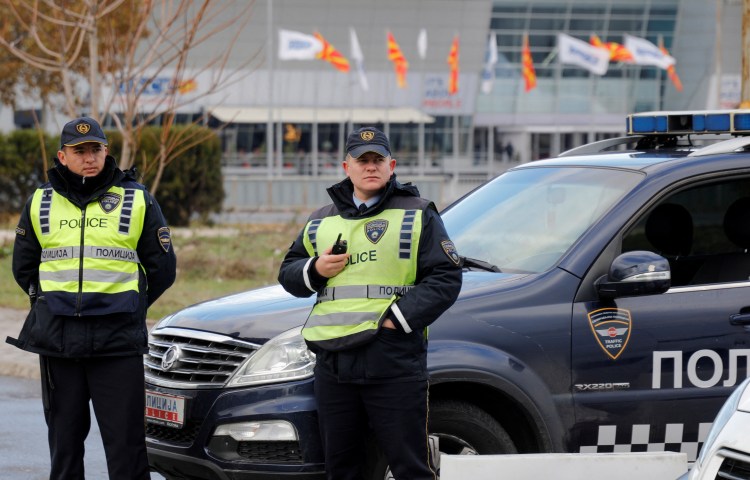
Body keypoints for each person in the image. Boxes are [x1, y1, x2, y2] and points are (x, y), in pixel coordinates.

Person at [278, 126, 462, 480]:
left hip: (392, 362)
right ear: (346, 168)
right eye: (362, 160)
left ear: (391, 165)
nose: (370, 166)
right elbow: (288, 273)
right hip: (334, 364)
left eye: (378, 159)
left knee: (410, 467)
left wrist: (396, 319)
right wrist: (314, 269)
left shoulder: (417, 213)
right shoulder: (321, 219)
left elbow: (446, 277)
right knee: (343, 470)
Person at [6, 116, 177, 480]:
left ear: (106, 151)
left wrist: (131, 306)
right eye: (79, 151)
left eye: (95, 149)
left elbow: (163, 269)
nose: (89, 157)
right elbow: (24, 268)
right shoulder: (40, 200)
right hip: (59, 342)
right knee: (65, 448)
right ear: (62, 156)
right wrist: (49, 304)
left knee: (127, 449)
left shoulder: (137, 198)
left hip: (117, 343)